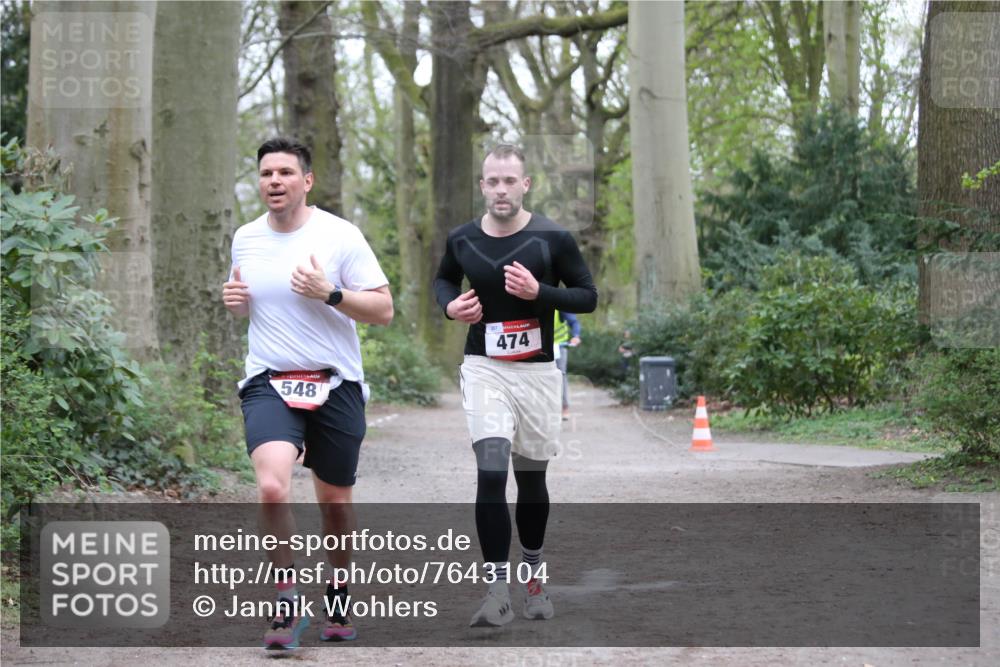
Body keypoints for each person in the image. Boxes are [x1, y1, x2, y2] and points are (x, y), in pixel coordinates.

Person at [222, 137, 393, 649]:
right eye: (266, 173)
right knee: (273, 487)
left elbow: (383, 310)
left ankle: (338, 596)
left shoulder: (340, 235)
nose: (274, 181)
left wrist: (331, 293)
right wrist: (236, 302)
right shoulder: (245, 238)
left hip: (335, 382)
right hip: (269, 380)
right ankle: (286, 602)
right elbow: (250, 305)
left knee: (334, 503)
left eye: (285, 173)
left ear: (307, 181)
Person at [433, 144, 598, 627]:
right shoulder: (462, 239)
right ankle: (497, 592)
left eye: (510, 181)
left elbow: (588, 296)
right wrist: (450, 307)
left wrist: (539, 293)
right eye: (493, 181)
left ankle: (533, 575)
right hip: (484, 368)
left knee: (531, 480)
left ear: (525, 184)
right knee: (490, 471)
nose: (501, 189)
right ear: (482, 186)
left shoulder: (553, 238)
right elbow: (443, 281)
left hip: (537, 375)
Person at [553, 310, 582, 420]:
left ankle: (564, 407)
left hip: (559, 346)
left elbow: (573, 322)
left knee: (561, 375)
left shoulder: (559, 305)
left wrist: (576, 336)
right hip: (540, 346)